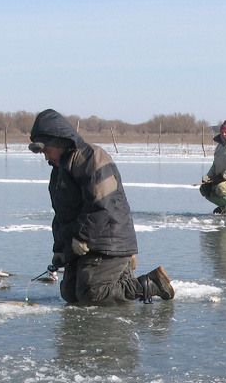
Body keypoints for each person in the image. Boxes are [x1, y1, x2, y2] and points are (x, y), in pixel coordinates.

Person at [29, 109, 174, 305]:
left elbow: (101, 203)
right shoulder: (59, 170)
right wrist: (60, 249)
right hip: (84, 242)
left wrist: (82, 237)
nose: (46, 157)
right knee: (70, 293)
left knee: (91, 293)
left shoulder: (91, 157)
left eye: (47, 151)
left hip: (108, 239)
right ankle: (120, 274)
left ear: (59, 142)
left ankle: (151, 283)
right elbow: (62, 215)